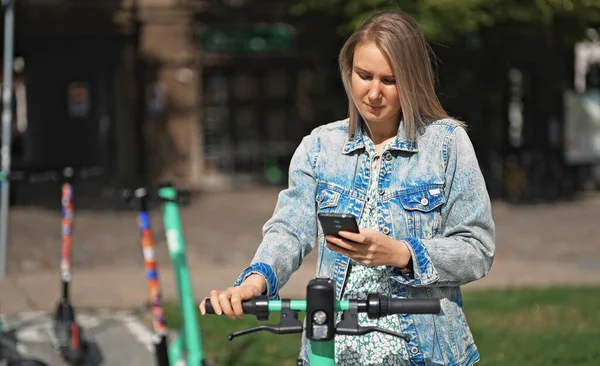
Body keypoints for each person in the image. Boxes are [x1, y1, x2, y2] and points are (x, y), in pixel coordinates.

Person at [200, 9, 495, 366]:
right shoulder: (319, 146)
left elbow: (477, 249)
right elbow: (289, 230)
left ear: (413, 80)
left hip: (423, 354)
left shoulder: (447, 144)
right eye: (364, 75)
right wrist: (257, 279)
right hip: (332, 352)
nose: (373, 92)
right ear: (348, 72)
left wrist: (402, 254)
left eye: (389, 80)